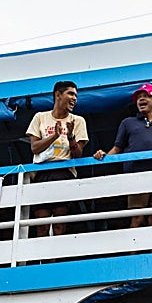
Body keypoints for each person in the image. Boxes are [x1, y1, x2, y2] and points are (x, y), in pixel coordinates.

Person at [93, 83, 152, 228]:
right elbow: (117, 148)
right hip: (136, 176)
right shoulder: (128, 123)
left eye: (146, 96)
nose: (141, 99)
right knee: (137, 218)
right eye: (139, 97)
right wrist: (103, 156)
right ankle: (134, 251)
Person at [26, 81, 89, 236]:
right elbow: (34, 148)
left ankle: (55, 260)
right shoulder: (40, 117)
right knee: (41, 224)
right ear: (58, 95)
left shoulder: (78, 121)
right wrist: (54, 136)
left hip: (64, 172)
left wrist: (71, 136)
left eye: (76, 95)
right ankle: (43, 261)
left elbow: (78, 154)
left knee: (60, 225)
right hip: (41, 173)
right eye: (71, 94)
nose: (74, 98)